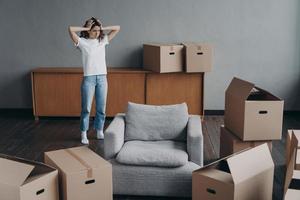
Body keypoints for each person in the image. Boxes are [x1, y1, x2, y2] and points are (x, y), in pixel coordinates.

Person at [68, 17, 120, 144]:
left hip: (102, 77)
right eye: (94, 30)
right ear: (88, 31)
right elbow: (70, 29)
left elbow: (117, 28)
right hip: (89, 78)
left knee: (101, 108)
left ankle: (99, 130)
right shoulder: (82, 42)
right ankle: (84, 133)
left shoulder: (102, 41)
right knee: (86, 108)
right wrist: (86, 28)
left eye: (98, 30)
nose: (97, 32)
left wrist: (102, 27)